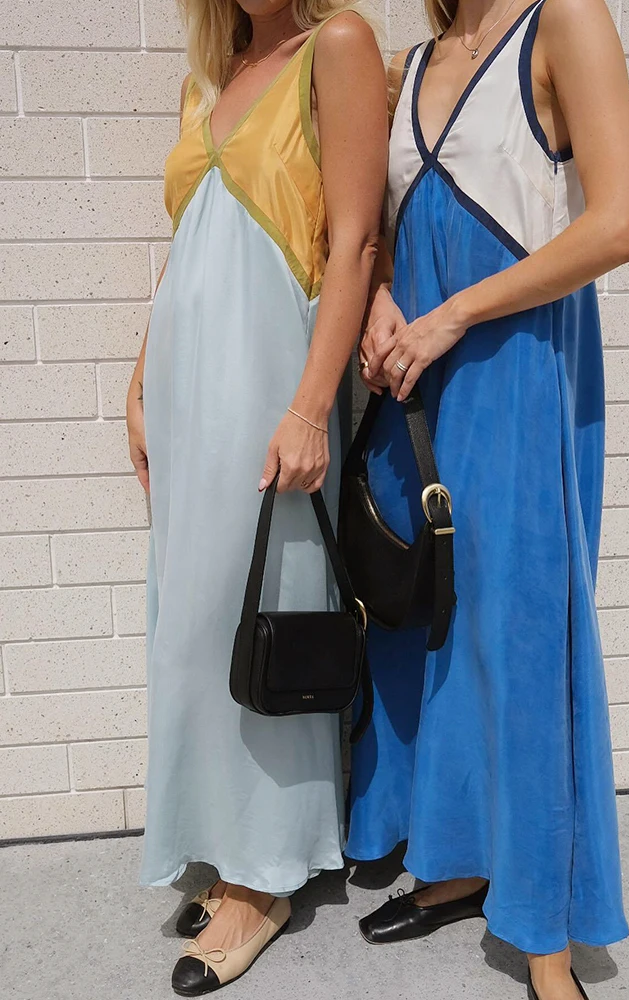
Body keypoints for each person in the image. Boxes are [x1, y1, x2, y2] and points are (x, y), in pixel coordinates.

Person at [348, 1, 629, 998]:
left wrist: (452, 316)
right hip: (416, 382)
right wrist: (383, 300)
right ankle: (457, 859)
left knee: (522, 636)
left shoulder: (564, 20)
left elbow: (618, 223)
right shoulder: (415, 58)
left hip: (514, 368)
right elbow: (391, 230)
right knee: (424, 619)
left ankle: (544, 927)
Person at [125, 0, 386, 994]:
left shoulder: (338, 46)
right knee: (192, 621)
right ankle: (219, 834)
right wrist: (139, 380)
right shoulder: (211, 77)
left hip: (267, 380)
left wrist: (312, 408)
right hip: (187, 388)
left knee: (264, 608)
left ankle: (264, 873)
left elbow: (356, 241)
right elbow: (186, 250)